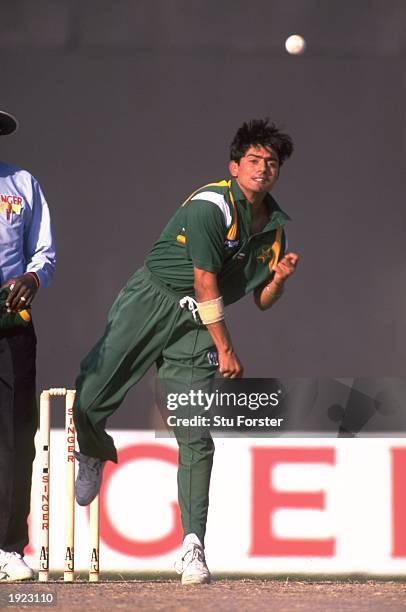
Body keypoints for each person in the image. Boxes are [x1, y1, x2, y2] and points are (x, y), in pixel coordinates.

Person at [73, 118, 299, 584]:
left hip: (196, 325)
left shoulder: (274, 230)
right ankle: (92, 447)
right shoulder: (210, 205)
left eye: (271, 163)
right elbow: (204, 280)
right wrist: (227, 348)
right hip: (153, 299)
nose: (263, 169)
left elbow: (260, 300)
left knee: (195, 431)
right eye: (254, 160)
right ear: (234, 166)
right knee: (91, 395)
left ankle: (192, 547)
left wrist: (276, 281)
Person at [0, 110, 56, 581]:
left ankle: (7, 547)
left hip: (10, 323)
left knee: (17, 439)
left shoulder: (20, 183)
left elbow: (45, 252)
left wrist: (34, 277)